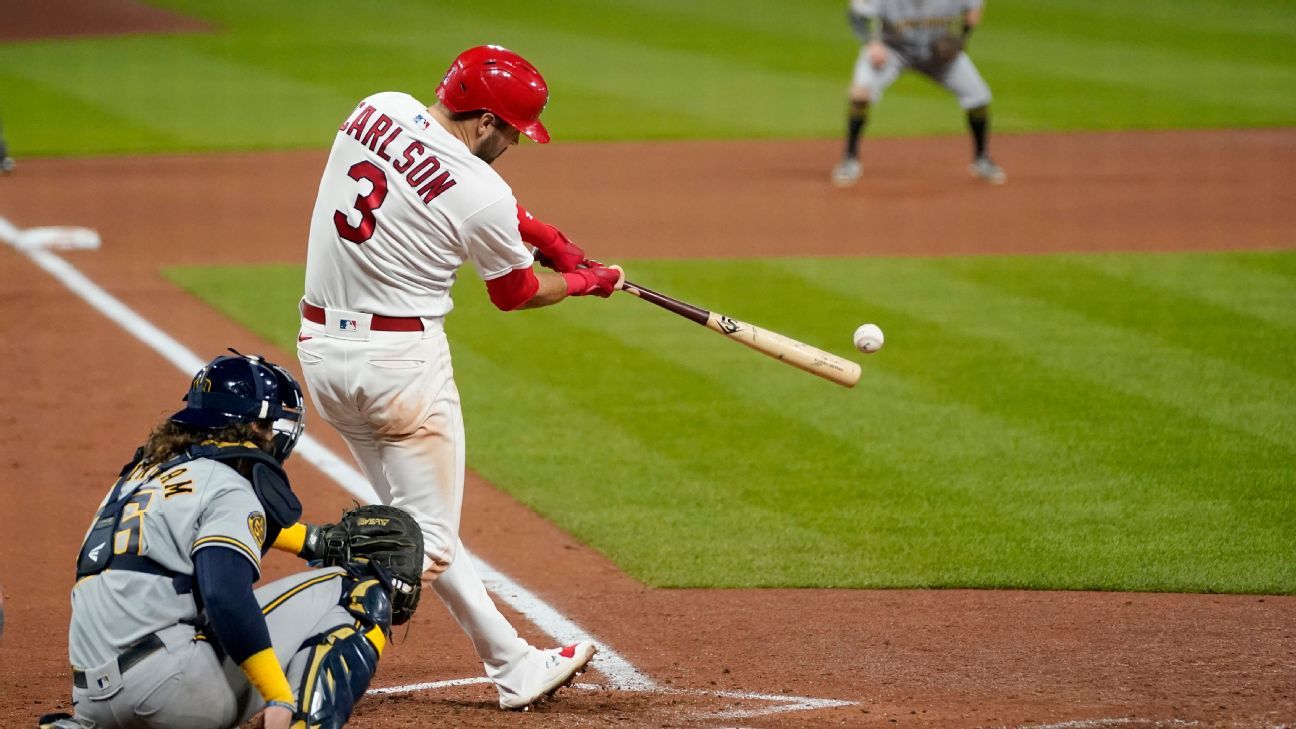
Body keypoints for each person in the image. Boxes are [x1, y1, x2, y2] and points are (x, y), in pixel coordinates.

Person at [296, 44, 620, 710]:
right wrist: (582, 280)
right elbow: (516, 292)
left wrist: (537, 227)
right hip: (401, 374)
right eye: (513, 132)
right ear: (489, 122)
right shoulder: (485, 194)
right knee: (426, 542)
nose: (512, 144)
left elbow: (435, 175)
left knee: (411, 521)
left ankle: (514, 665)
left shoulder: (377, 107)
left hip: (324, 358)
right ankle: (304, 641)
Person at [40, 352, 417, 729]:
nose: (275, 436)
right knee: (358, 591)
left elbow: (213, 526)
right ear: (253, 426)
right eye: (271, 425)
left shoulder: (142, 479)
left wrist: (312, 541)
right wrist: (276, 693)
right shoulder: (228, 486)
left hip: (91, 702)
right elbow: (224, 593)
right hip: (167, 694)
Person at [831, 0, 1005, 187]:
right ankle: (849, 159)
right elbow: (857, 15)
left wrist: (962, 39)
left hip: (938, 54)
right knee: (860, 93)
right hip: (892, 51)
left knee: (979, 96)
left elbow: (974, 9)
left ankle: (982, 159)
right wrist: (871, 43)